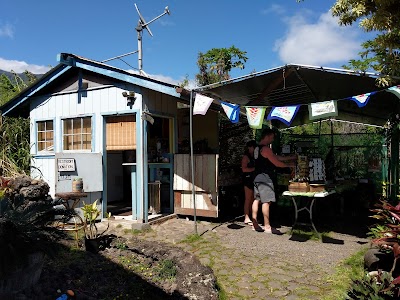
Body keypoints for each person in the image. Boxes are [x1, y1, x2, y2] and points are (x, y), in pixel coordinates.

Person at [251, 128, 296, 234]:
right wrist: (290, 165)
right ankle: (267, 226)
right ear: (267, 136)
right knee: (267, 202)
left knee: (256, 200)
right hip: (265, 178)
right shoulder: (266, 149)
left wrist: (289, 157)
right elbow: (276, 163)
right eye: (271, 137)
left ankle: (255, 224)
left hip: (257, 177)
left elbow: (275, 157)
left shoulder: (257, 148)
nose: (272, 140)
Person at [241, 140, 257, 225]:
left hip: (254, 179)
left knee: (253, 199)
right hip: (247, 179)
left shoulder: (255, 156)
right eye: (251, 148)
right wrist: (254, 169)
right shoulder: (246, 157)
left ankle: (253, 216)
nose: (252, 149)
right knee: (247, 199)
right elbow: (244, 169)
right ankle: (246, 217)